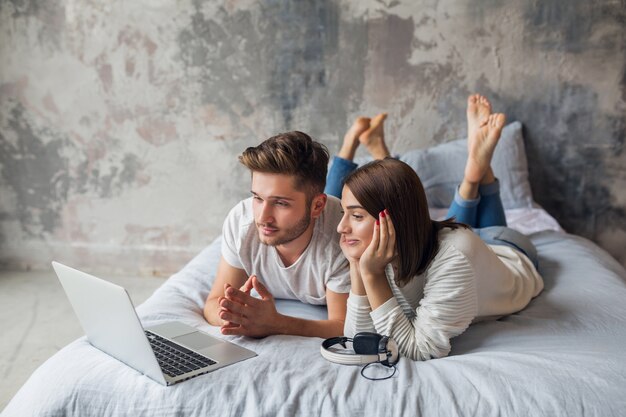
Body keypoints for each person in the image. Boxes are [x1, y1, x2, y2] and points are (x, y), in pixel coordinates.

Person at [326, 95, 544, 360]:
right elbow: (358, 341)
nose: (340, 228)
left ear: (392, 221)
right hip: (456, 242)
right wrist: (359, 269)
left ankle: (476, 172)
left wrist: (371, 275)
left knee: (466, 238)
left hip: (508, 249)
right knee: (458, 231)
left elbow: (421, 350)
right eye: (343, 214)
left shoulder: (454, 258)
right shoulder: (374, 250)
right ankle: (477, 170)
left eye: (356, 216)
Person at [203, 131, 350, 339]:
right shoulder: (242, 222)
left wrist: (276, 324)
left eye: (281, 203)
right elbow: (212, 304)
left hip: (328, 216)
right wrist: (237, 318)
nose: (263, 217)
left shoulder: (342, 236)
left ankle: (351, 148)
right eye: (258, 198)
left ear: (318, 206)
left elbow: (343, 326)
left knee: (356, 188)